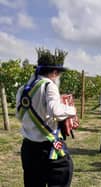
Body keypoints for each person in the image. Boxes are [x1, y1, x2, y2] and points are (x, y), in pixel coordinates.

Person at [16, 48, 77, 187]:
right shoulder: (49, 85)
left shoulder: (22, 89)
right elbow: (55, 110)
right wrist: (71, 110)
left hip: (28, 147)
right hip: (48, 148)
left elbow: (19, 116)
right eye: (59, 74)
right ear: (54, 72)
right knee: (63, 173)